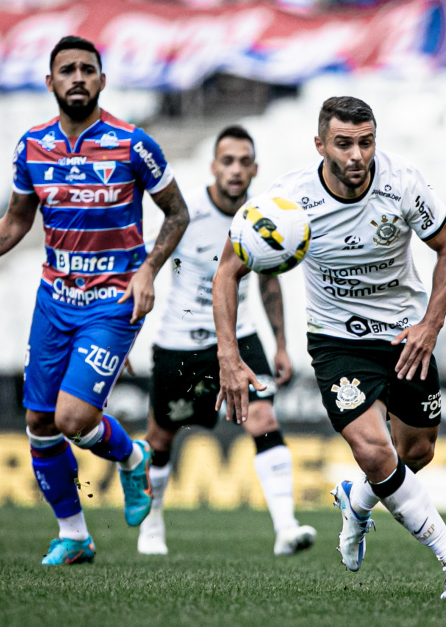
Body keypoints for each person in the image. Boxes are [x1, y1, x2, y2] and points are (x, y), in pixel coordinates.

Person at [0, 36, 190, 565]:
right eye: (66, 70)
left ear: (102, 81)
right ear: (50, 83)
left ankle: (133, 458)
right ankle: (75, 535)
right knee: (40, 426)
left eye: (87, 69)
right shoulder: (31, 146)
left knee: (71, 419)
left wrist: (149, 272)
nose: (77, 78)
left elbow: (177, 213)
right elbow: (18, 218)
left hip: (113, 301)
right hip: (54, 300)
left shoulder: (134, 144)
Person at [212, 97, 446, 600]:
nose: (357, 155)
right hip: (337, 341)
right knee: (374, 450)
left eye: (366, 142)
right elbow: (227, 269)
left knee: (414, 454)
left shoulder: (402, 183)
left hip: (406, 335)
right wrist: (229, 355)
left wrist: (431, 323)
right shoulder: (286, 202)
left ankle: (355, 501)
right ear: (320, 145)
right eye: (343, 144)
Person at [137, 125, 316, 557]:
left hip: (240, 335)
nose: (236, 170)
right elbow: (147, 275)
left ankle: (286, 528)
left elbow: (270, 283)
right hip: (181, 339)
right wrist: (126, 338)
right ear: (213, 166)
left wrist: (279, 344)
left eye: (244, 161)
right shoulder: (184, 212)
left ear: (255, 168)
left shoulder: (261, 217)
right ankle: (152, 524)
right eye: (227, 160)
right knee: (161, 437)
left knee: (264, 421)